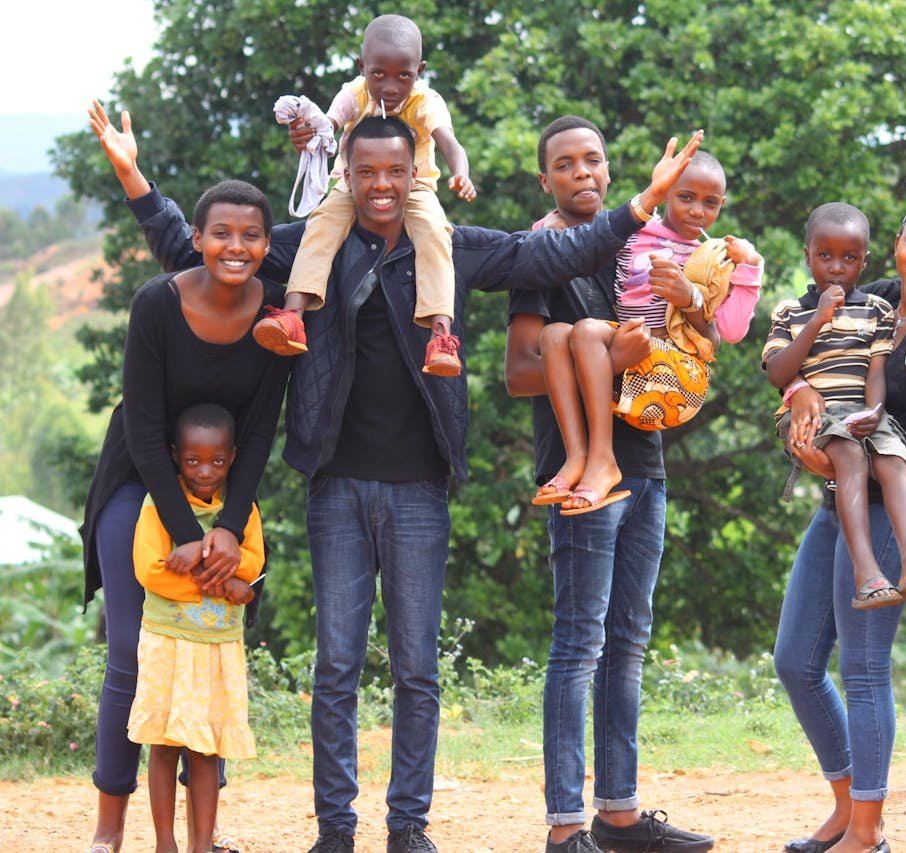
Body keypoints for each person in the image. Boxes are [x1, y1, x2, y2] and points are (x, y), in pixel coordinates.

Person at [93, 100, 701, 853]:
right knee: (337, 667)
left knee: (417, 669)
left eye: (395, 172)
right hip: (336, 484)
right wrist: (134, 177)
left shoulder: (446, 243)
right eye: (366, 171)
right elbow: (207, 249)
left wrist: (641, 205)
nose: (381, 185)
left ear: (416, 176)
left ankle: (408, 826)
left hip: (419, 486)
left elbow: (551, 256)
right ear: (346, 176)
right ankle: (336, 832)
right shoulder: (312, 244)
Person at [80, 105, 291, 852]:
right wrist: (182, 531)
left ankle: (201, 836)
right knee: (133, 650)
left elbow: (262, 428)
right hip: (141, 483)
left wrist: (227, 527)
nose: (236, 246)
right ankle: (110, 829)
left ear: (269, 247)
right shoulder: (157, 304)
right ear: (196, 242)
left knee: (207, 647)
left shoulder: (277, 318)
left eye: (251, 235)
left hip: (221, 491)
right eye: (221, 234)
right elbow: (141, 428)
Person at [505, 115, 716, 853]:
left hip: (645, 463)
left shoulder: (640, 242)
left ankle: (618, 816)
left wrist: (686, 300)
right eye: (565, 164)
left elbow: (705, 340)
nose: (583, 173)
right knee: (579, 645)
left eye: (593, 159)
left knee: (627, 641)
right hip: (579, 478)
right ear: (547, 181)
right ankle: (567, 826)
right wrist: (608, 353)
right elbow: (518, 371)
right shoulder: (539, 253)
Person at [774, 198, 906, 853]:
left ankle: (867, 828)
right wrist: (799, 399)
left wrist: (844, 451)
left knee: (862, 669)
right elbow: (805, 344)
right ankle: (843, 804)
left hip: (891, 510)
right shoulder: (872, 295)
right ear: (894, 244)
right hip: (837, 502)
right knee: (796, 660)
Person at [534, 150, 760, 514]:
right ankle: (576, 457)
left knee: (588, 331)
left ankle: (602, 458)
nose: (697, 211)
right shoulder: (635, 232)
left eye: (710, 203)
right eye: (686, 197)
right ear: (667, 192)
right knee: (554, 335)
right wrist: (551, 225)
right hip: (633, 352)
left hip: (675, 373)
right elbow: (591, 236)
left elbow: (730, 332)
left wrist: (746, 269)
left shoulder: (713, 258)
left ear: (722, 205)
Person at [257, 13, 475, 377]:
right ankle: (293, 316)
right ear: (362, 67)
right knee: (322, 224)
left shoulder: (425, 101)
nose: (390, 85)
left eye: (403, 75)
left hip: (414, 186)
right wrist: (307, 135)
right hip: (352, 184)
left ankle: (440, 337)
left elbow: (449, 142)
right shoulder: (354, 93)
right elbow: (327, 126)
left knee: (436, 235)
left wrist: (461, 172)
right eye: (378, 74)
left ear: (419, 70)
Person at [765, 202, 906, 611]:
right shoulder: (791, 312)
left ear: (864, 261)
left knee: (893, 457)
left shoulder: (878, 311)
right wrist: (816, 321)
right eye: (824, 256)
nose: (836, 268)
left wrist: (877, 412)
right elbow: (778, 374)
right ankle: (867, 574)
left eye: (849, 258)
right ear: (806, 254)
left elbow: (876, 371)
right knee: (849, 455)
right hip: (815, 417)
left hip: (859, 410)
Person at [128, 404, 264, 853]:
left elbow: (253, 560)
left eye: (218, 461)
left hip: (216, 646)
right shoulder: (158, 506)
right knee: (164, 745)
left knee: (207, 750)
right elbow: (151, 570)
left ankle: (200, 846)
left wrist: (197, 556)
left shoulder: (241, 509)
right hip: (167, 642)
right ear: (174, 456)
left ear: (233, 457)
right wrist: (223, 583)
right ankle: (165, 843)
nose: (205, 471)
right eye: (193, 461)